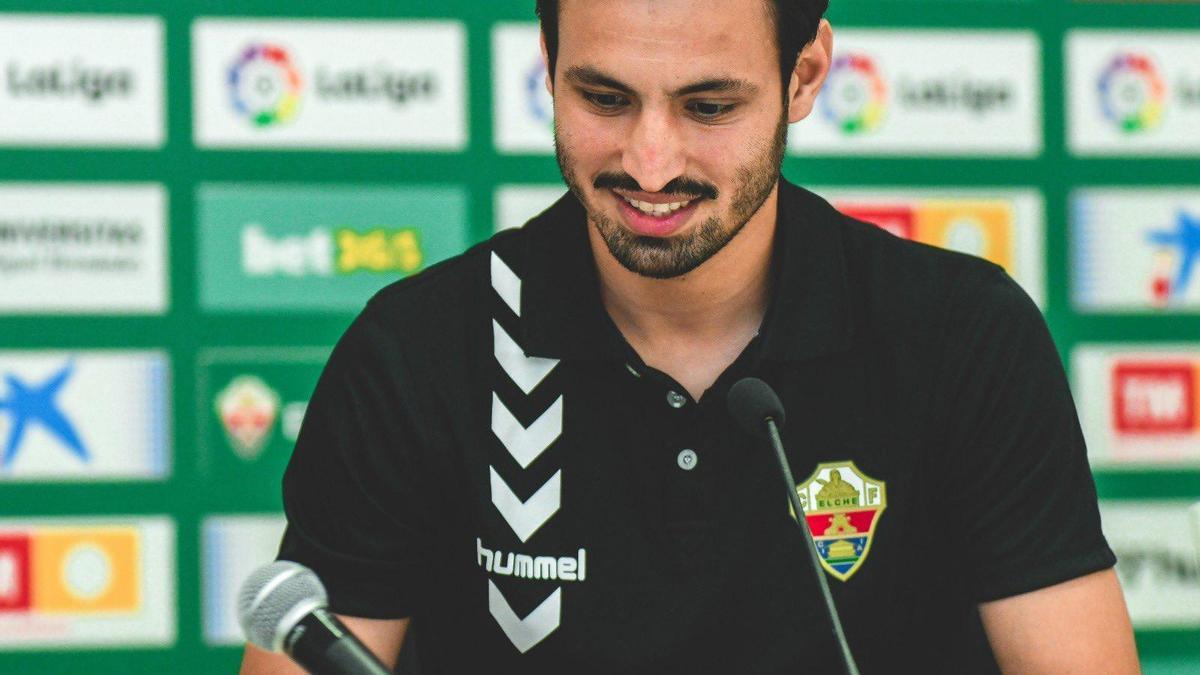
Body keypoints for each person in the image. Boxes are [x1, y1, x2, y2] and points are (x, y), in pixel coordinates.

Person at [241, 1, 1140, 672]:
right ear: (549, 61)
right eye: (604, 97)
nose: (650, 161)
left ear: (805, 76)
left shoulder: (962, 335)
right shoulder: (416, 350)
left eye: (709, 107)